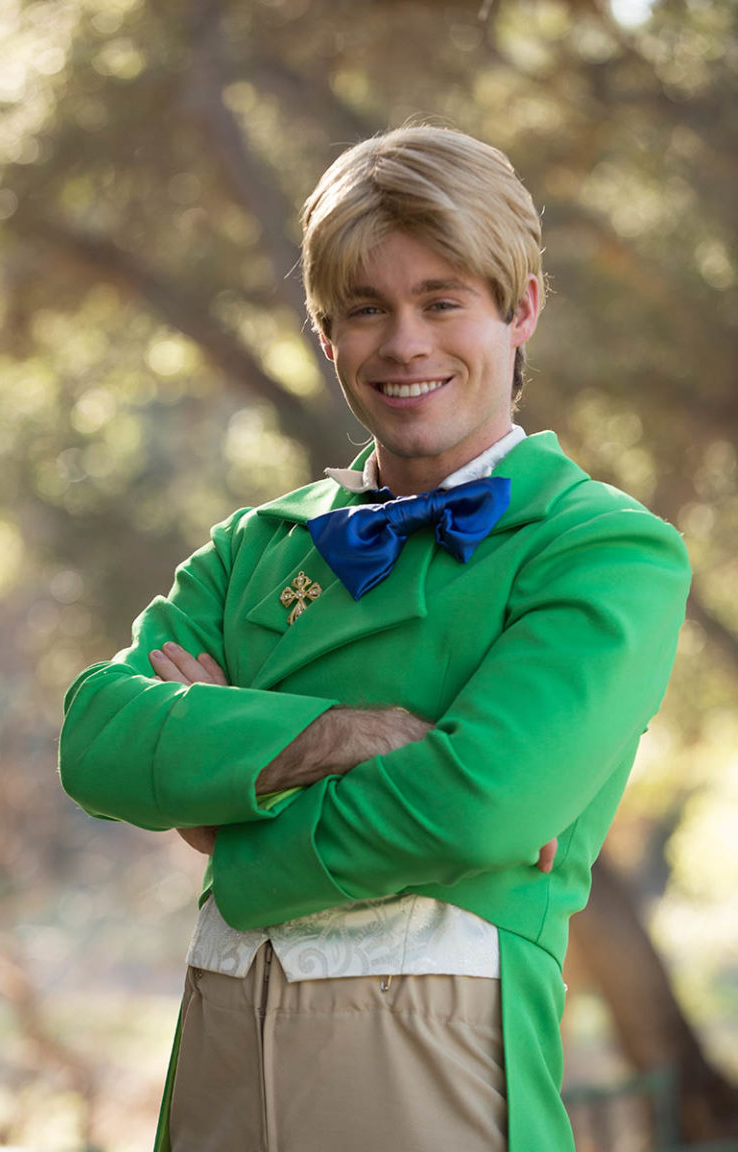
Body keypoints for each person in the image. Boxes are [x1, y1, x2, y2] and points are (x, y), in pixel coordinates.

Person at [59, 125, 691, 1152]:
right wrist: (332, 736)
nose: (404, 345)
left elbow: (477, 812)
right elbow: (96, 737)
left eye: (441, 302)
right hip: (218, 1073)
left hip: (438, 1074)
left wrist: (227, 806)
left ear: (521, 308)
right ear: (326, 334)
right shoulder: (260, 544)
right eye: (365, 310)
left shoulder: (602, 550)